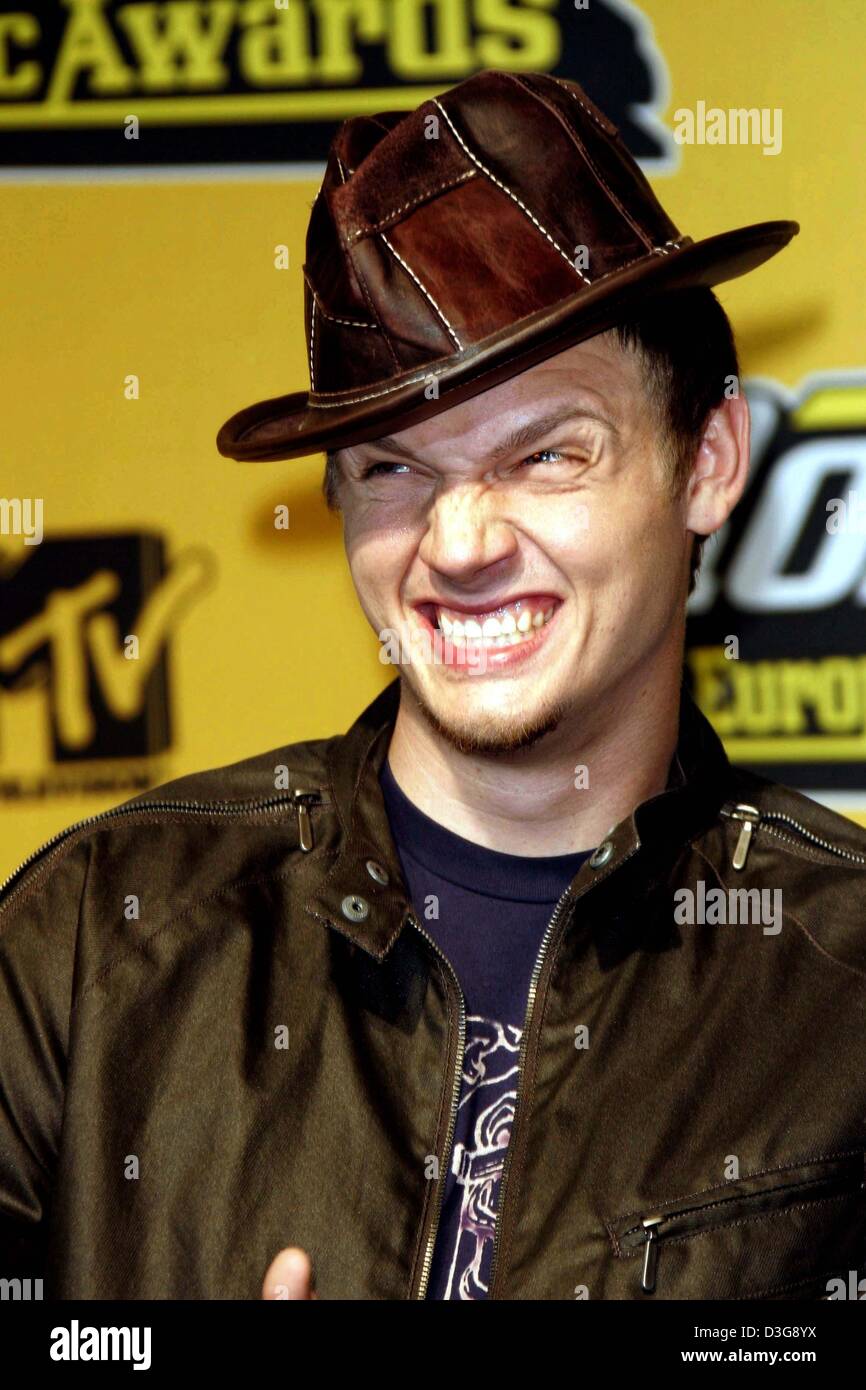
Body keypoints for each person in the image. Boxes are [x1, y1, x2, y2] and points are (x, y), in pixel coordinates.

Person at [3, 69, 865, 1303]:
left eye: (547, 453)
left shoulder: (841, 978)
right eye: (392, 469)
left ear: (707, 461)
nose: (458, 543)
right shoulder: (95, 939)